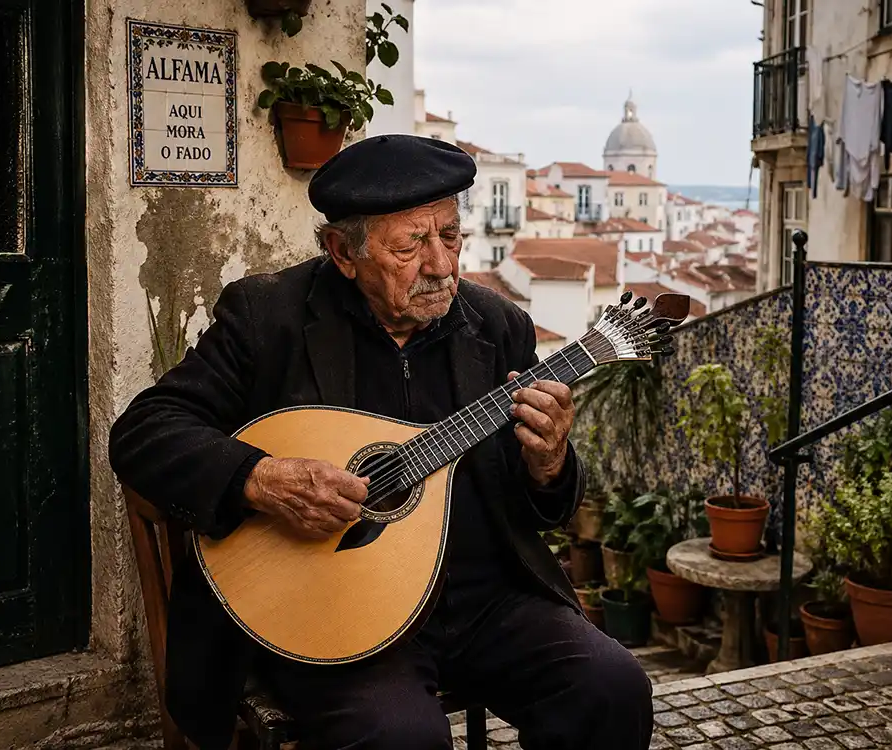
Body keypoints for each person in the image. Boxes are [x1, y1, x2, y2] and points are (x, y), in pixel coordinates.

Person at [109, 134, 653, 750]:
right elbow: (145, 432)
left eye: (449, 236)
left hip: (485, 603)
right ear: (343, 252)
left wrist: (549, 461)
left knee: (613, 686)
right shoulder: (270, 319)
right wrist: (260, 479)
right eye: (410, 246)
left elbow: (543, 504)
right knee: (398, 737)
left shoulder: (499, 326)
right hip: (339, 614)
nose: (442, 265)